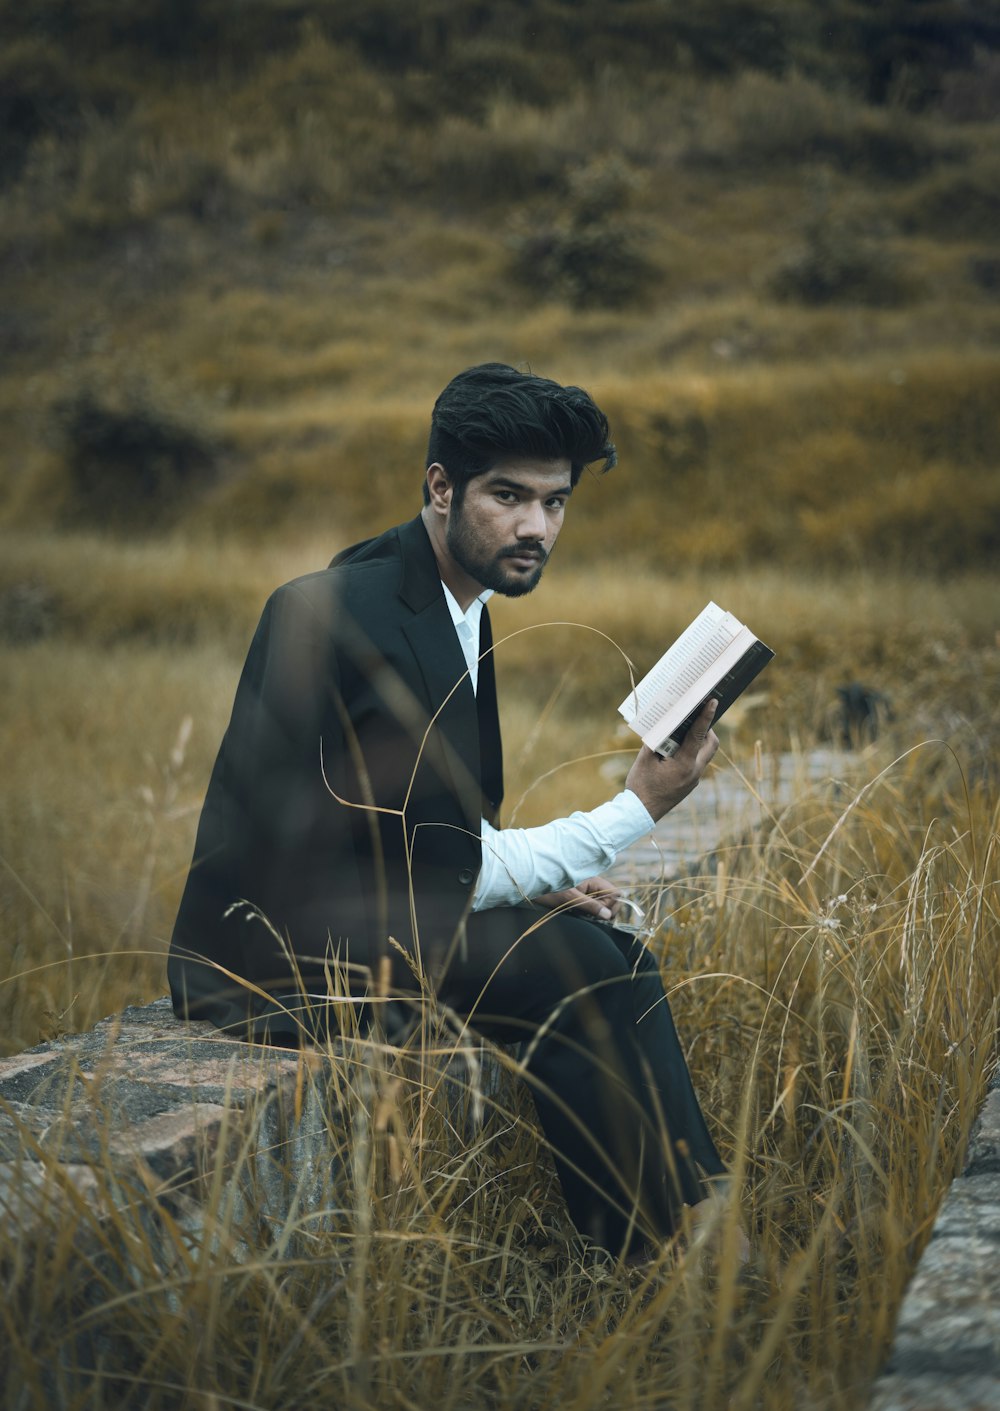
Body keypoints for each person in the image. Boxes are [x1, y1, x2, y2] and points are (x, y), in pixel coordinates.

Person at [169, 361, 728, 1258]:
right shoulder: (346, 610)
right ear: (441, 486)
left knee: (604, 951)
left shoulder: (450, 600)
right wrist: (636, 808)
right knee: (581, 972)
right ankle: (669, 1242)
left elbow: (418, 824)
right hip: (271, 958)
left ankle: (648, 1235)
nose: (535, 526)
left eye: (555, 501)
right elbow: (434, 859)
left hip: (371, 911)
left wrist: (530, 883)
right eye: (508, 495)